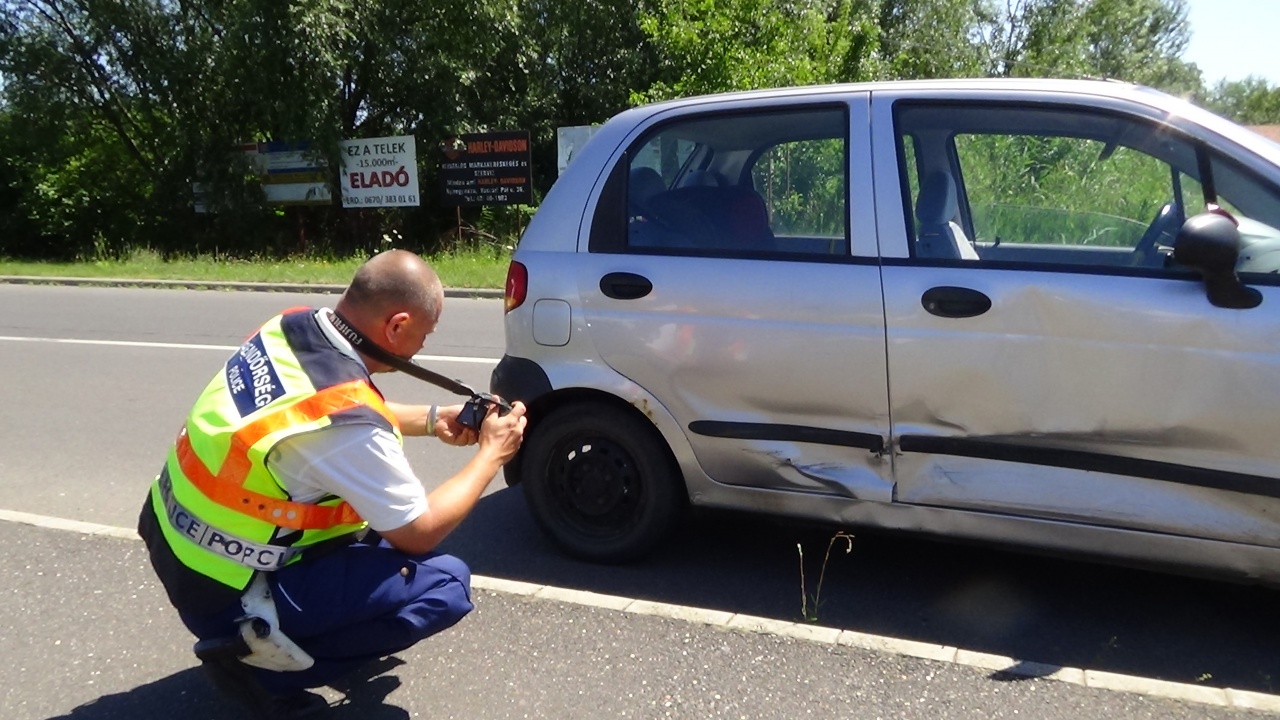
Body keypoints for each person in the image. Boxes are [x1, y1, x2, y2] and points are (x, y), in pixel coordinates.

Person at [137, 249, 527, 719]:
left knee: (369, 528)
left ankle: (279, 636)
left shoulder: (292, 327)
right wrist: (491, 455)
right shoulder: (348, 429)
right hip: (228, 597)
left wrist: (432, 418)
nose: (422, 347)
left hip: (180, 550)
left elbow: (324, 409)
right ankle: (258, 668)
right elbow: (419, 530)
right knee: (446, 584)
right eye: (424, 335)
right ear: (397, 325)